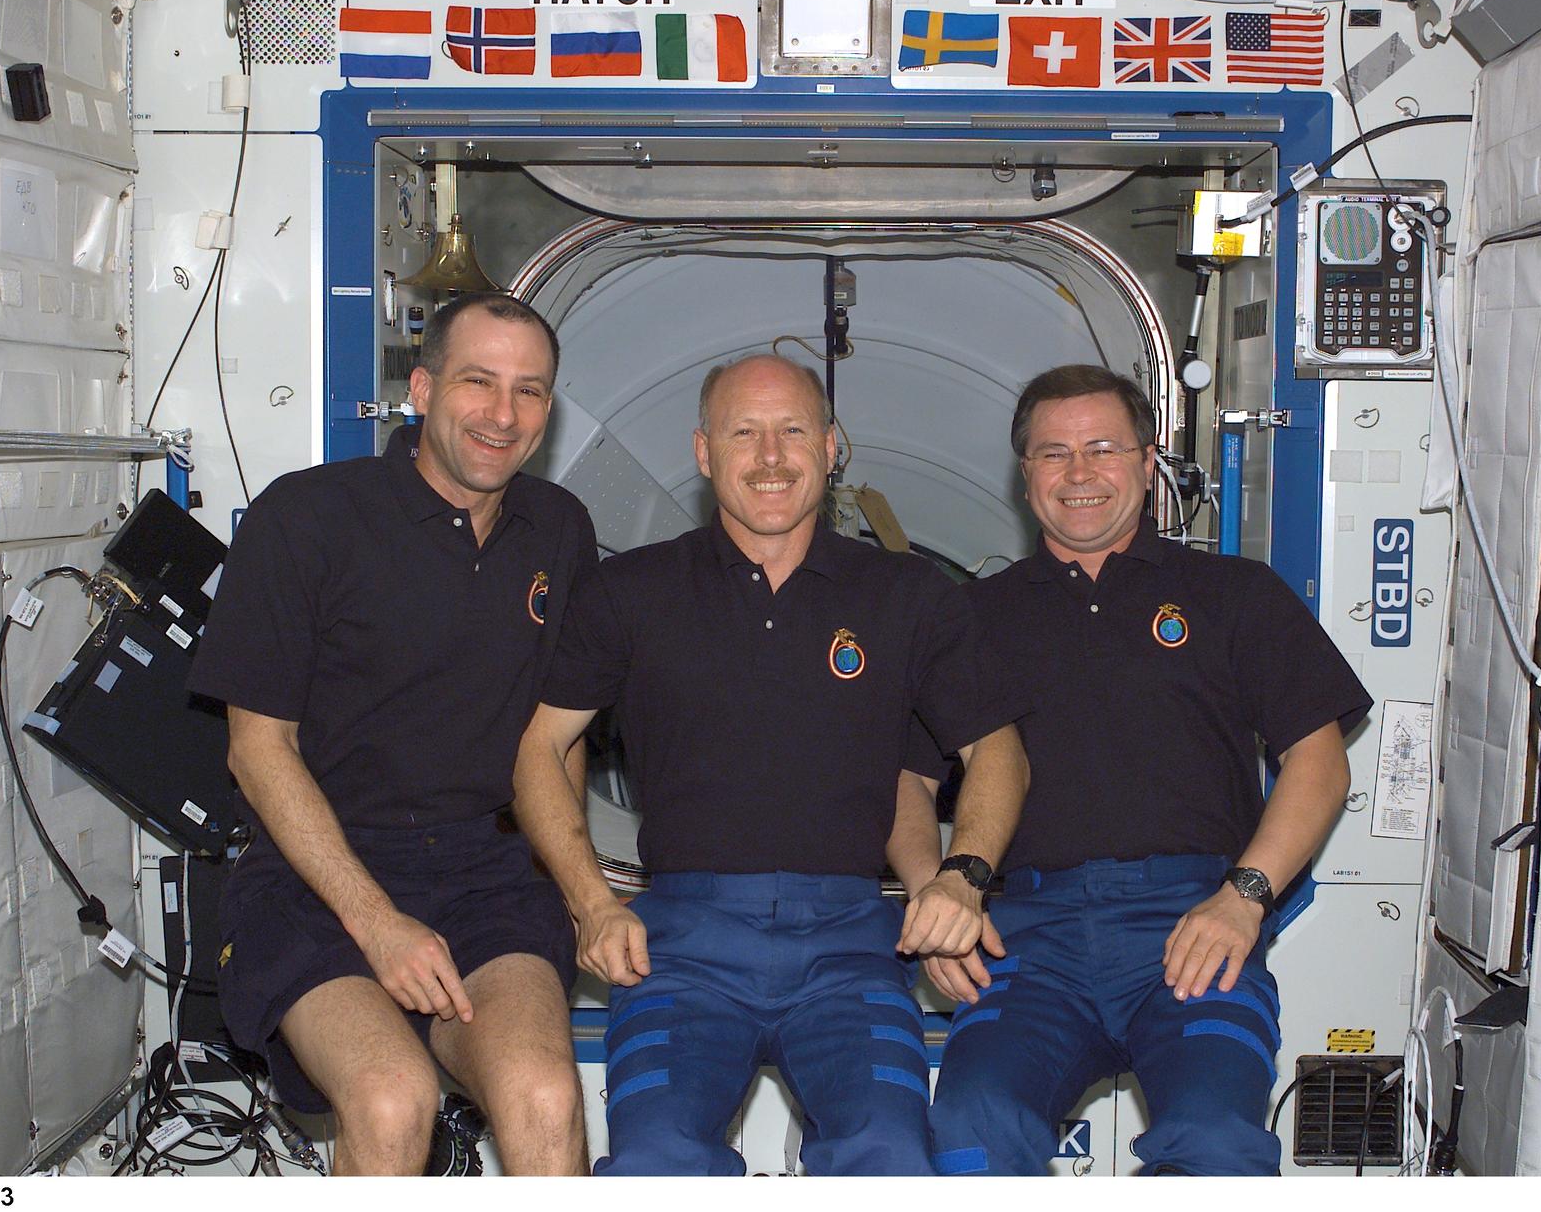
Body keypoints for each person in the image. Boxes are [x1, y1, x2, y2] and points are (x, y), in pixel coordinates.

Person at [511, 352, 1030, 1175]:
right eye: (743, 433)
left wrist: (961, 877)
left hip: (851, 947)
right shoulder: (632, 590)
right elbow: (540, 746)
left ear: (830, 446)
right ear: (703, 451)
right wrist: (592, 902)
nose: (770, 456)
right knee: (654, 1158)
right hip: (682, 945)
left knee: (891, 1153)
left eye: (792, 430)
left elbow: (995, 748)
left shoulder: (908, 595)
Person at [919, 364, 1372, 1176]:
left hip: (1195, 924)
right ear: (1025, 474)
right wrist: (938, 898)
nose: (1080, 472)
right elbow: (906, 782)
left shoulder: (1234, 593)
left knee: (1216, 1137)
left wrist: (1244, 896)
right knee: (970, 1120)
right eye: (1054, 453)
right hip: (1031, 942)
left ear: (1147, 459)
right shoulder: (973, 617)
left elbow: (1320, 761)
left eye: (1103, 447)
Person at [189, 293, 597, 1175]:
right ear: (421, 389)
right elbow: (256, 750)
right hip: (319, 871)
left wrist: (584, 890)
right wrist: (377, 925)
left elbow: (557, 739)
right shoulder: (305, 517)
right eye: (478, 381)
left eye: (529, 390)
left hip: (487, 873)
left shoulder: (560, 530)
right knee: (389, 1097)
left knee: (546, 1095)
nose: (502, 413)